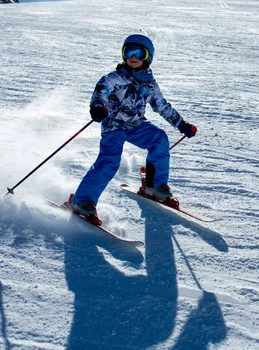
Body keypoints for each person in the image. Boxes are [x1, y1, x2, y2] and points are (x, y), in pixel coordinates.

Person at [69, 34, 197, 225]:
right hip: (114, 126)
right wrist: (97, 108)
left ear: (148, 57)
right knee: (110, 160)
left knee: (159, 139)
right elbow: (99, 94)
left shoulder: (150, 83)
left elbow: (161, 105)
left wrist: (181, 124)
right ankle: (83, 200)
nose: (133, 57)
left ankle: (154, 187)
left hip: (136, 125)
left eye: (139, 53)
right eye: (129, 51)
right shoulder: (113, 78)